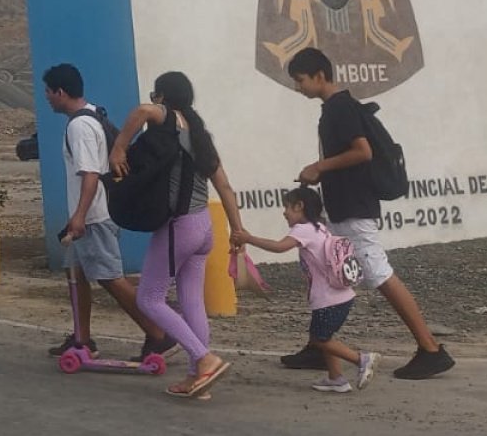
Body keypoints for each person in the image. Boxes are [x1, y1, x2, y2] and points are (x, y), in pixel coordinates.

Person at [284, 47, 453, 380]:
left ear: (319, 76)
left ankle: (430, 348)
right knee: (322, 267)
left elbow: (362, 151)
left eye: (300, 80)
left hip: (353, 209)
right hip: (343, 207)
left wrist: (319, 167)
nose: (298, 87)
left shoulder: (340, 108)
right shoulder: (336, 108)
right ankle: (319, 346)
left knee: (378, 273)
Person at [110, 71, 242, 399]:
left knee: (149, 298)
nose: (153, 100)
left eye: (156, 95)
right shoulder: (199, 135)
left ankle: (205, 358)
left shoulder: (170, 117)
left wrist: (119, 149)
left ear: (163, 97)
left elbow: (141, 112)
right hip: (204, 228)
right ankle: (198, 377)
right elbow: (224, 185)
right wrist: (237, 228)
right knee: (191, 300)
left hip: (179, 227)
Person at [41, 64, 172, 369]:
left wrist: (79, 216)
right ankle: (81, 338)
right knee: (76, 272)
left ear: (60, 92)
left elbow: (89, 174)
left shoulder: (79, 127)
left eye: (48, 91)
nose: (46, 97)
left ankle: (157, 332)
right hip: (92, 212)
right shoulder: (91, 117)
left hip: (94, 215)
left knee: (110, 277)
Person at [232, 185, 377, 394]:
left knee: (320, 340)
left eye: (287, 207)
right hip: (342, 296)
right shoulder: (321, 226)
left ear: (300, 206)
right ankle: (336, 378)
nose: (284, 212)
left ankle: (361, 359)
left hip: (328, 299)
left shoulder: (303, 229)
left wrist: (249, 238)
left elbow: (279, 247)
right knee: (325, 337)